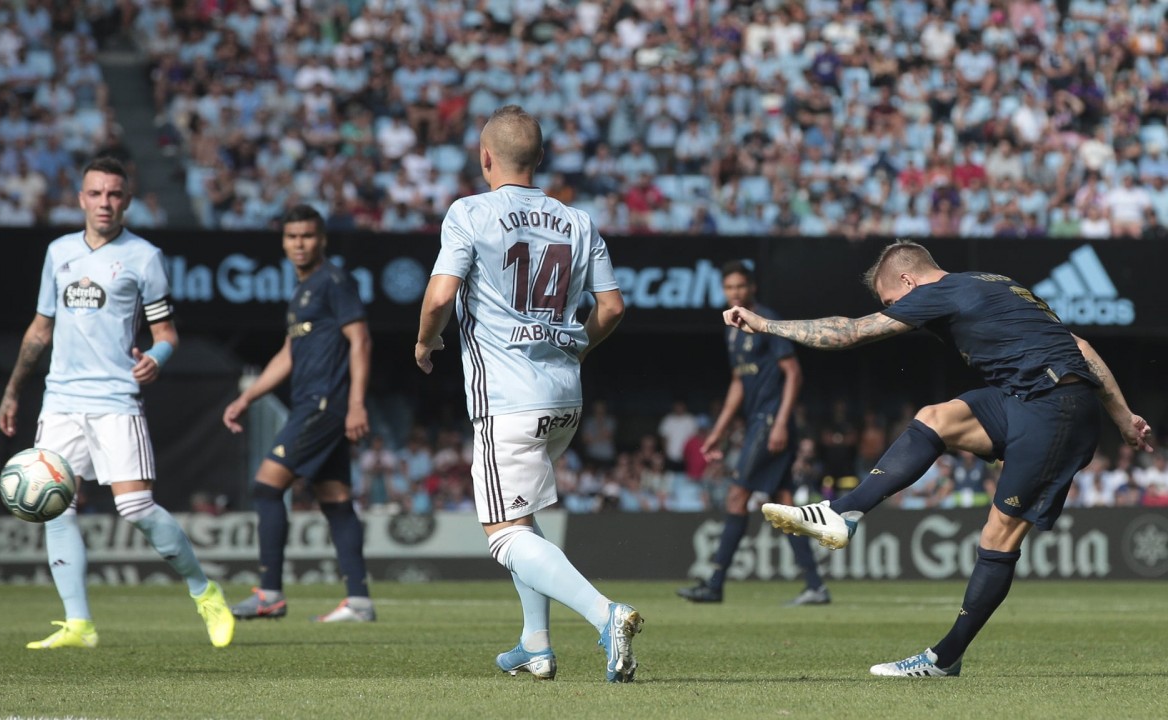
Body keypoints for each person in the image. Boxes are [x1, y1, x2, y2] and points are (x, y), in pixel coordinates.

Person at [733, 240, 1152, 677]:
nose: (896, 312)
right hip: (1025, 398)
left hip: (1055, 410)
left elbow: (851, 332)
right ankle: (843, 512)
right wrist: (1123, 416)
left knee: (999, 536)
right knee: (936, 418)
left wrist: (766, 325)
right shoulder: (995, 283)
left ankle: (944, 658)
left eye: (892, 302)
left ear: (908, 281)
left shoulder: (937, 293)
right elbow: (1079, 346)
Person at [415, 105, 642, 682]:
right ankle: (535, 644)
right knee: (522, 517)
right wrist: (576, 348)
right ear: (539, 158)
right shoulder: (578, 220)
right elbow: (612, 307)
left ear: (485, 157)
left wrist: (425, 341)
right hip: (565, 398)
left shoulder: (469, 212)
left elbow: (439, 297)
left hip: (507, 398)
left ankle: (605, 614)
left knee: (504, 535)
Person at [0, 157, 235, 650]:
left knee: (136, 507)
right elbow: (40, 330)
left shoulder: (145, 257)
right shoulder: (59, 252)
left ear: (126, 200)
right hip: (61, 401)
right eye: (95, 193)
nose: (104, 202)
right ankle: (79, 624)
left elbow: (166, 334)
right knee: (56, 509)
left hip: (114, 400)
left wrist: (156, 359)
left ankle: (204, 591)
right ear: (81, 198)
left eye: (113, 194)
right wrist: (13, 390)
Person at [222, 204, 377, 623]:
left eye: (307, 236)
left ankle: (269, 593)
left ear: (321, 239)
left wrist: (356, 403)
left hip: (323, 404)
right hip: (315, 403)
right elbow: (288, 354)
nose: (299, 244)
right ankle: (359, 601)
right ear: (284, 241)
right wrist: (247, 398)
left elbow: (360, 340)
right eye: (292, 237)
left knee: (266, 487)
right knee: (336, 500)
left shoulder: (334, 281)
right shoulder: (301, 291)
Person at [676, 261, 829, 606]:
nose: (735, 293)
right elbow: (738, 384)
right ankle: (815, 585)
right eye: (729, 287)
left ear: (752, 288)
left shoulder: (766, 321)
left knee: (736, 496)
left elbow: (793, 373)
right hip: (759, 421)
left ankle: (715, 584)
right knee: (785, 504)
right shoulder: (732, 328)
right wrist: (718, 432)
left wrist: (780, 422)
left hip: (770, 421)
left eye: (740, 286)